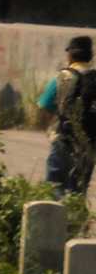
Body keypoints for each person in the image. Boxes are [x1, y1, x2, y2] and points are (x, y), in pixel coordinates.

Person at [43, 35, 96, 196]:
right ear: (91, 56)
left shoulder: (63, 77)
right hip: (88, 144)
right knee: (78, 191)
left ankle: (55, 220)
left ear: (70, 55)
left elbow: (45, 104)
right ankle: (76, 220)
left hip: (63, 140)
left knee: (54, 187)